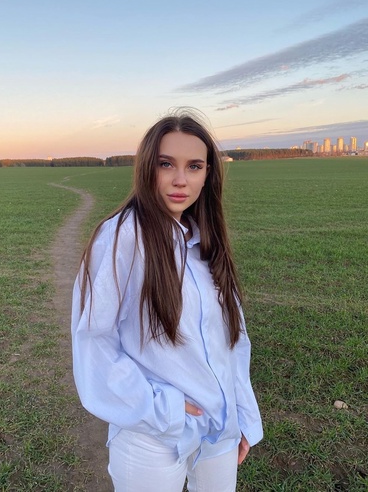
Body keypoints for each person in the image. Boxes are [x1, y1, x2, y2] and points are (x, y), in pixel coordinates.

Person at [71, 109, 263, 491]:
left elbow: (232, 340)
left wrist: (242, 414)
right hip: (151, 437)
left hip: (218, 430)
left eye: (194, 166)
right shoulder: (120, 239)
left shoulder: (204, 239)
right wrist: (165, 408)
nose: (180, 180)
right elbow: (94, 344)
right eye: (166, 164)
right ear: (147, 168)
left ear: (208, 173)